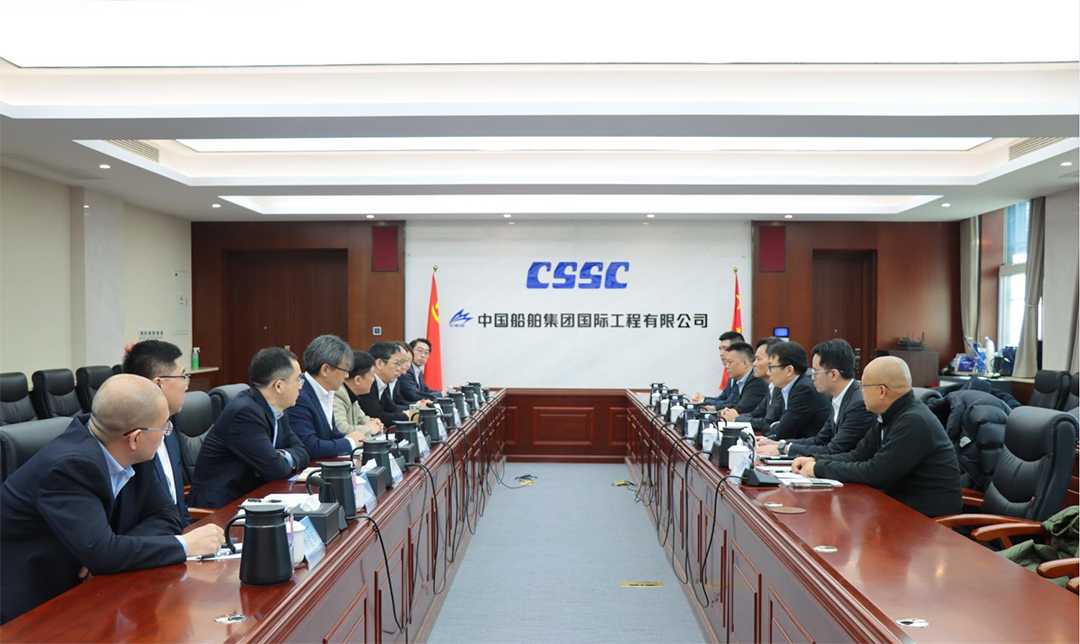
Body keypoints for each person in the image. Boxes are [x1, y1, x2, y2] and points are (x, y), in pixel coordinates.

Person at [0, 375, 224, 624]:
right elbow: (103, 554)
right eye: (164, 427)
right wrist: (184, 545)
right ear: (135, 438)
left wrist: (112, 551)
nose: (166, 435)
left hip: (87, 589)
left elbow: (167, 515)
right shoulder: (70, 468)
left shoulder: (131, 452)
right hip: (29, 607)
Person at [792, 356, 962, 517]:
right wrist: (815, 459)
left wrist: (819, 468)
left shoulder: (913, 421)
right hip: (898, 505)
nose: (861, 392)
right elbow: (858, 455)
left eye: (863, 386)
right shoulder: (889, 415)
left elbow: (876, 473)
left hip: (925, 520)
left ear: (881, 391)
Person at [190, 348, 311, 509]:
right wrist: (277, 459)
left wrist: (281, 455)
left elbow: (303, 451)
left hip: (254, 496)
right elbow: (276, 469)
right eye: (298, 380)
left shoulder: (277, 409)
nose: (300, 387)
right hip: (222, 506)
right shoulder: (245, 413)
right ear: (279, 386)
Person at [758, 339, 875, 457]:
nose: (812, 377)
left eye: (815, 372)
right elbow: (820, 440)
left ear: (833, 374)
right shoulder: (838, 398)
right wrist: (781, 444)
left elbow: (834, 449)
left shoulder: (858, 405)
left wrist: (785, 449)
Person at [121, 339, 194, 526]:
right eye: (183, 377)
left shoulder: (169, 429)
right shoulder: (131, 443)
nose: (187, 386)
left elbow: (179, 508)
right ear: (158, 384)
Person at [287, 335, 367, 460]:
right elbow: (310, 446)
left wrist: (359, 440)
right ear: (325, 369)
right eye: (345, 369)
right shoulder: (299, 395)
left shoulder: (327, 391)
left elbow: (332, 434)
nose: (347, 375)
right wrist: (350, 442)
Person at [759, 340, 831, 441]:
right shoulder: (785, 387)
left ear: (789, 370)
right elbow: (767, 422)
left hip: (810, 447)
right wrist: (775, 426)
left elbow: (781, 433)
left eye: (771, 367)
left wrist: (775, 426)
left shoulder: (804, 390)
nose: (768, 372)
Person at [723, 337, 782, 430]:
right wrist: (731, 415)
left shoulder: (782, 388)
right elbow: (755, 414)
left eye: (758, 359)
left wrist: (736, 418)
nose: (754, 363)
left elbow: (767, 423)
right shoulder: (772, 387)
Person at [357, 341, 416, 428]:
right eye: (397, 363)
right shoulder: (368, 383)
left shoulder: (382, 383)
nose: (399, 368)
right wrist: (407, 415)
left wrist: (415, 409)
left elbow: (392, 408)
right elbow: (377, 416)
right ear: (379, 363)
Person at [700, 342, 766, 414]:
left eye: (730, 362)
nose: (726, 367)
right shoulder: (741, 380)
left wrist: (722, 412)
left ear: (744, 363)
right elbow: (734, 404)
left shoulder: (756, 381)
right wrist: (714, 408)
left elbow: (741, 409)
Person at [334, 350, 385, 439]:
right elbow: (341, 429)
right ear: (357, 380)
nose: (373, 380)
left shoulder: (352, 395)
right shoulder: (338, 394)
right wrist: (369, 429)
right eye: (372, 376)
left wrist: (376, 424)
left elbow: (363, 419)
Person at [691, 331, 745, 406]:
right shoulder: (732, 372)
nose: (721, 353)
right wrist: (703, 399)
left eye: (725, 348)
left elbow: (729, 402)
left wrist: (703, 400)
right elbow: (722, 398)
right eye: (720, 349)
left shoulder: (741, 374)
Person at [397, 337, 439, 403]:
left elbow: (426, 391)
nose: (423, 355)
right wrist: (442, 394)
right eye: (420, 351)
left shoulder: (418, 371)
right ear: (410, 351)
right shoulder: (405, 370)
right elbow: (413, 395)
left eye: (426, 352)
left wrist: (443, 392)